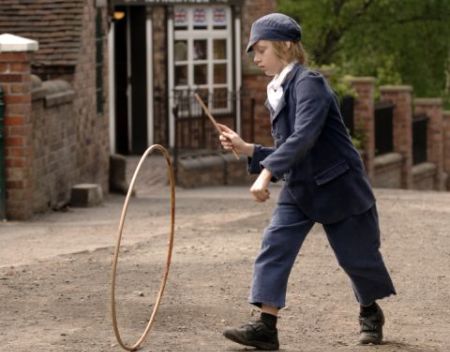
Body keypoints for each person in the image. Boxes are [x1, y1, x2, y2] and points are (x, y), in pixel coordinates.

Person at [217, 13, 396, 351]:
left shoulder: (309, 83)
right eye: (254, 51)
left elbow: (303, 139)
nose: (256, 58)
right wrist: (247, 149)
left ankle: (370, 311)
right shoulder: (279, 88)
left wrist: (266, 174)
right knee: (275, 245)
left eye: (261, 49)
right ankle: (266, 327)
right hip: (300, 188)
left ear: (285, 46)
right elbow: (291, 148)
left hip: (339, 186)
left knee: (356, 258)